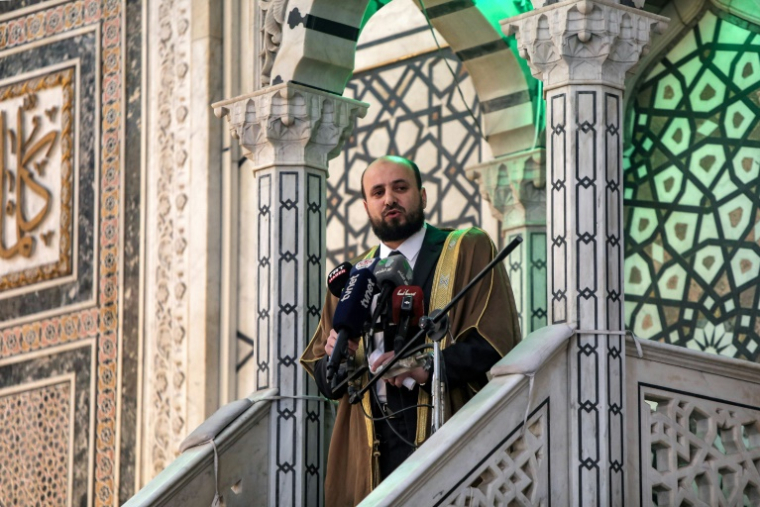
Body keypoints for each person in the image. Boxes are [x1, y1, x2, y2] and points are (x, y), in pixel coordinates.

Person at [300, 155, 520, 506]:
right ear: (366, 205)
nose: (390, 199)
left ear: (422, 195)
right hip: (368, 443)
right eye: (378, 192)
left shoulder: (466, 248)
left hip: (446, 427)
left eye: (400, 188)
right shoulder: (352, 277)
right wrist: (335, 358)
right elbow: (327, 382)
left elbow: (495, 345)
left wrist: (426, 366)